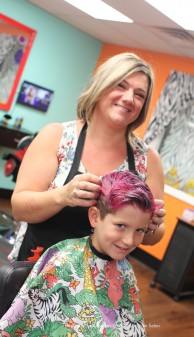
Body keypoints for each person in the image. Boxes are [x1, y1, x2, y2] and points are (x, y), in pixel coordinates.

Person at [10, 52, 165, 262]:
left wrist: (149, 225)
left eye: (139, 94)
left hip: (98, 286)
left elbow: (154, 235)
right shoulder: (56, 137)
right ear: (101, 86)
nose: (129, 98)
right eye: (120, 85)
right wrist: (63, 196)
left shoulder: (148, 160)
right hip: (37, 270)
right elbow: (19, 209)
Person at [0, 171, 156, 336]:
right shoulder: (64, 263)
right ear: (95, 217)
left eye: (140, 230)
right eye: (121, 226)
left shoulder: (126, 271)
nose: (129, 240)